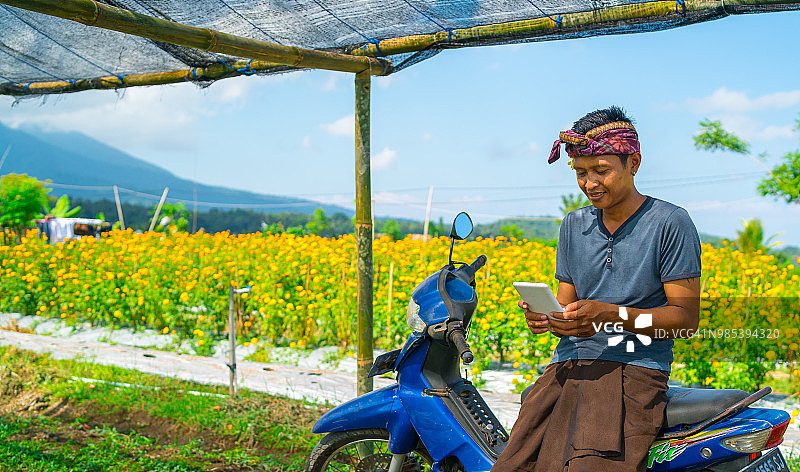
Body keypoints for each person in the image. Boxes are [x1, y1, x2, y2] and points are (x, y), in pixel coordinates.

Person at [491, 106, 702, 472]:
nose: (590, 183)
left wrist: (610, 316)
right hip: (566, 366)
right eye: (580, 172)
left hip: (633, 371)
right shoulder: (573, 225)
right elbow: (567, 309)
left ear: (633, 163)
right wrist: (549, 319)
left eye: (601, 170)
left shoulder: (670, 222)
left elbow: (684, 320)